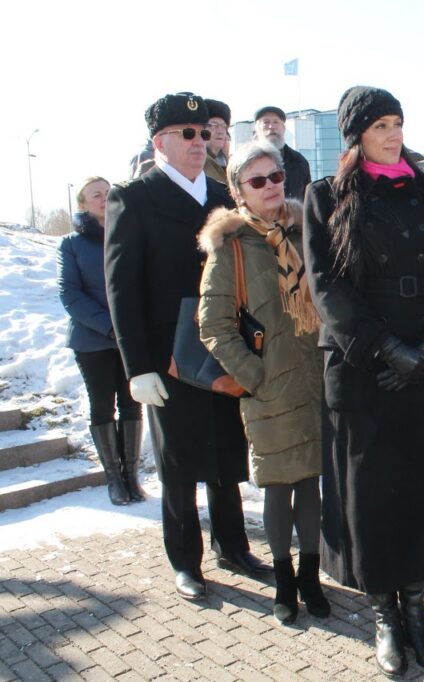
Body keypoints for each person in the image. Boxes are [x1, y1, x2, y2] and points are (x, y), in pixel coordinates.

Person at [303, 86, 424, 676]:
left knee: (420, 489)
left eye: (397, 122)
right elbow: (325, 285)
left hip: (423, 364)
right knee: (371, 496)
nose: (393, 134)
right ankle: (384, 618)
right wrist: (384, 348)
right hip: (362, 367)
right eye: (380, 125)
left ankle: (418, 613)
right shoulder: (325, 196)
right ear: (356, 136)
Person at [105, 92, 269, 602]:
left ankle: (232, 546)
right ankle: (185, 560)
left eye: (205, 133)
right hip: (166, 354)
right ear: (160, 142)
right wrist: (136, 367)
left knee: (226, 451)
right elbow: (121, 288)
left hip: (222, 344)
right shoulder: (134, 198)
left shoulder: (221, 196)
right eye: (188, 134)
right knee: (177, 462)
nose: (201, 142)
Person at [197, 141, 329, 624]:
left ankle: (311, 577)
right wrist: (254, 376)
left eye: (276, 176)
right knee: (278, 485)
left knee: (311, 483)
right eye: (258, 180)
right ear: (239, 192)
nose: (271, 186)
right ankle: (284, 580)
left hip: (314, 378)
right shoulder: (231, 247)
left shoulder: (305, 231)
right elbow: (213, 325)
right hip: (270, 386)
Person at [58, 177, 143, 506]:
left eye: (108, 192)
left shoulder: (127, 233)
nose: (104, 198)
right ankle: (114, 479)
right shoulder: (72, 244)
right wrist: (110, 327)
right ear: (83, 204)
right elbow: (70, 294)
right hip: (93, 340)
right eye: (96, 194)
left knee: (132, 402)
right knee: (103, 405)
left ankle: (132, 476)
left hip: (129, 337)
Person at [253, 105, 312, 201]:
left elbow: (307, 199)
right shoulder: (247, 161)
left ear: (283, 128)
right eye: (266, 122)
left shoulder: (299, 161)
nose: (271, 127)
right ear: (256, 128)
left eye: (276, 122)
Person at [203, 98, 231, 185]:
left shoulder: (226, 160)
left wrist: (228, 157)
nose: (220, 131)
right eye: (214, 125)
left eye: (223, 126)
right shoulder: (199, 161)